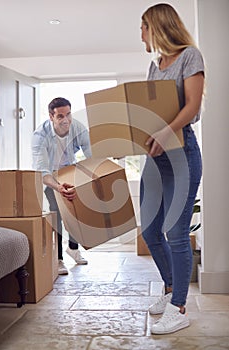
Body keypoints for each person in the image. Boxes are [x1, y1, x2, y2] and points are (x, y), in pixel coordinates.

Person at [140, 4, 204, 334]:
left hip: (181, 152)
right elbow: (153, 110)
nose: (141, 35)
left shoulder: (189, 56)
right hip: (155, 157)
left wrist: (165, 131)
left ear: (157, 26)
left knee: (176, 233)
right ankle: (170, 289)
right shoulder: (155, 66)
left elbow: (192, 106)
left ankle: (179, 307)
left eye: (144, 28)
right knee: (150, 230)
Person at [32, 97, 92, 275]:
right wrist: (58, 187)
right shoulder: (40, 136)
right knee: (57, 215)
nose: (65, 120)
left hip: (69, 171)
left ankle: (73, 248)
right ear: (51, 117)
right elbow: (42, 172)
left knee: (74, 212)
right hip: (50, 175)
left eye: (68, 114)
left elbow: (91, 156)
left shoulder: (77, 128)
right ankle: (58, 259)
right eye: (60, 116)